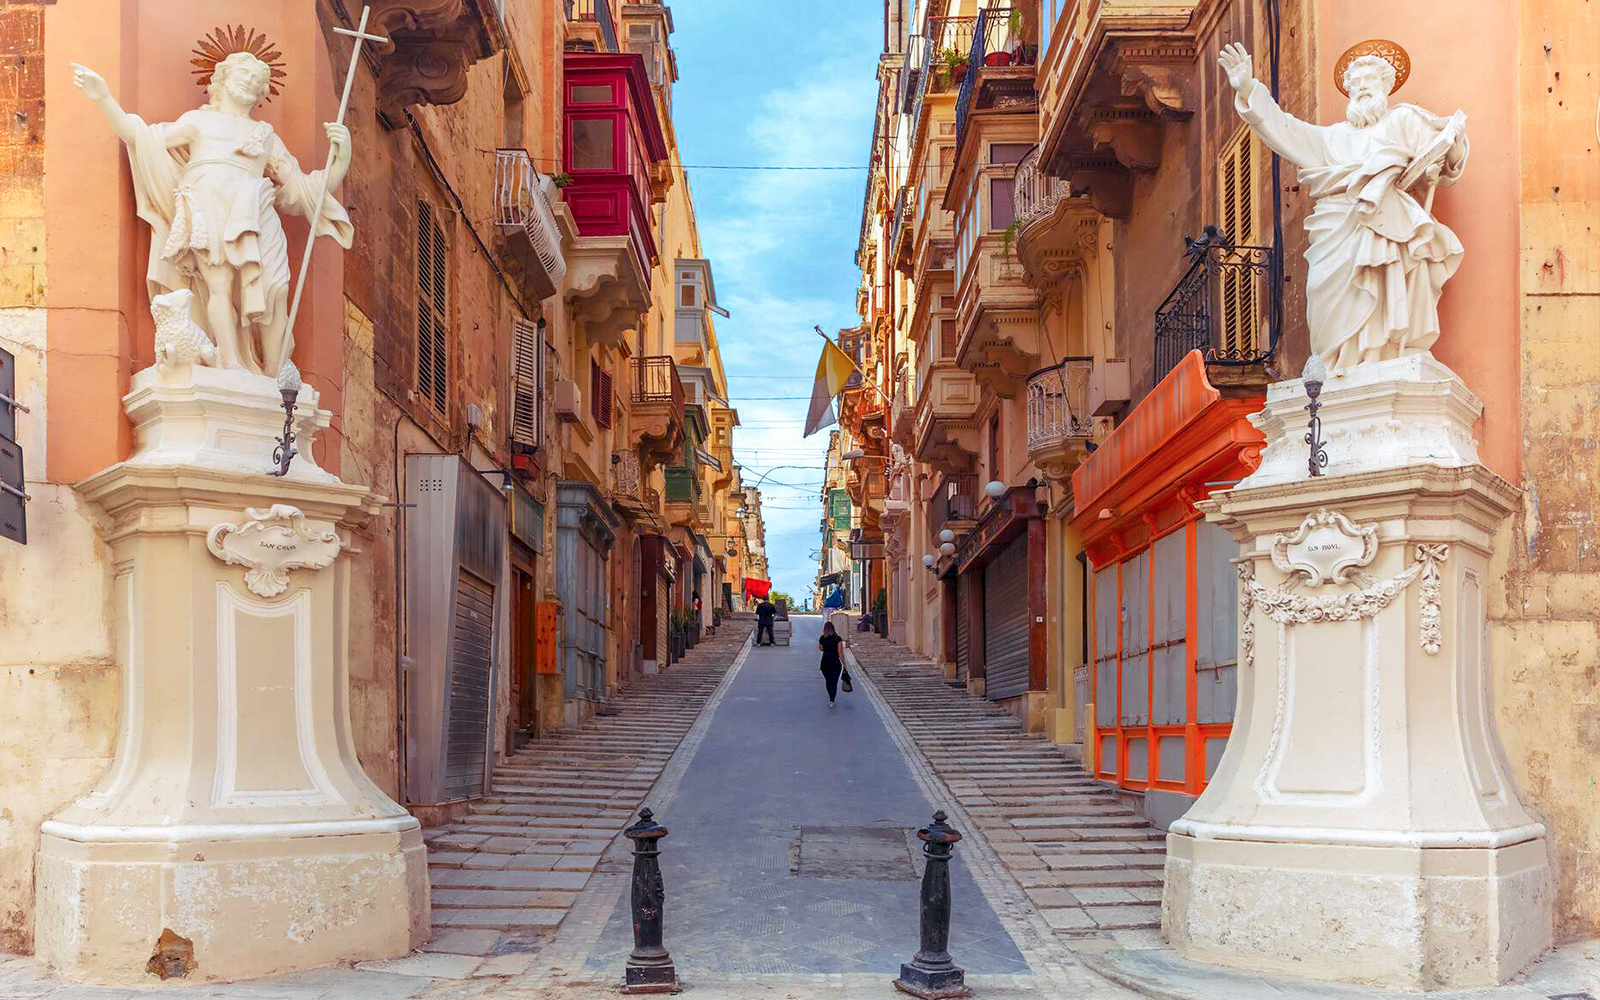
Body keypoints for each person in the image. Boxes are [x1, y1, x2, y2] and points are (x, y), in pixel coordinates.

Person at [818, 622, 850, 707]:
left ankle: (831, 697)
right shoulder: (838, 638)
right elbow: (840, 652)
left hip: (825, 663)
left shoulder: (822, 638)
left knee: (828, 681)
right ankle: (832, 699)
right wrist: (844, 664)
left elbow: (820, 649)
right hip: (835, 663)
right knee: (834, 682)